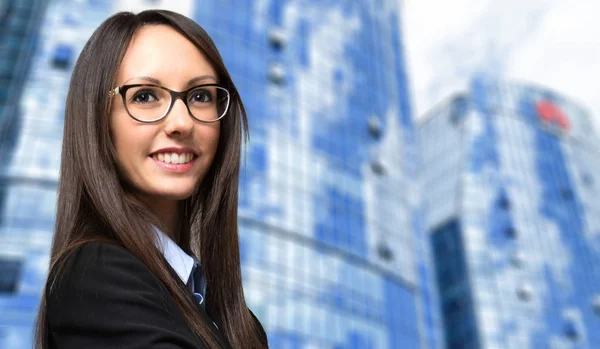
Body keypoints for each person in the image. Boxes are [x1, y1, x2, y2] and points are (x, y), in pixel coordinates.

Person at [34, 9, 268, 349]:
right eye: (144, 96)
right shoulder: (97, 275)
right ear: (98, 122)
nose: (181, 123)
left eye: (200, 96)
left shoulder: (234, 319)